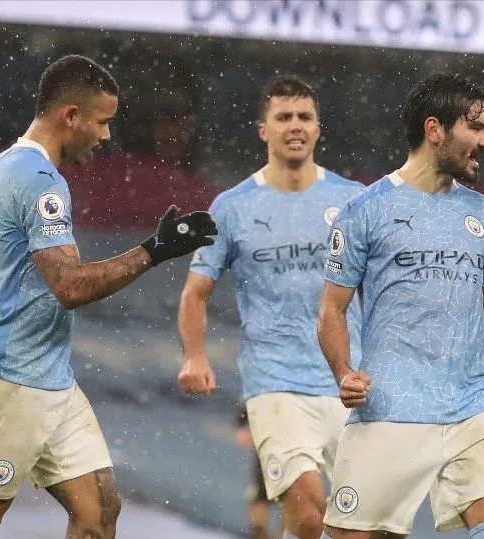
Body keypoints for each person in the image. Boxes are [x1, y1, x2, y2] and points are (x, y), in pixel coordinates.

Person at [0, 54, 217, 539]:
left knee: (99, 513)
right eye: (103, 121)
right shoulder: (40, 180)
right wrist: (156, 250)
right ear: (71, 116)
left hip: (48, 378)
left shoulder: (8, 161)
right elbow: (70, 287)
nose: (107, 135)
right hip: (8, 382)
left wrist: (7, 315)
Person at [317, 72, 484, 539]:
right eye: (475, 128)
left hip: (472, 405)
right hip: (393, 402)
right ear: (434, 130)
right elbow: (331, 312)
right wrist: (343, 374)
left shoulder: (483, 213)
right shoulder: (365, 210)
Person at [176, 75, 364, 539]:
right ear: (264, 129)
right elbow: (195, 291)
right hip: (274, 380)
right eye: (283, 117)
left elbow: (387, 285)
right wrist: (195, 355)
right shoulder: (232, 206)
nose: (294, 126)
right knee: (307, 512)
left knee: (358, 525)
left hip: (348, 379)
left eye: (304, 117)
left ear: (319, 128)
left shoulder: (354, 200)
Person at [235, 405, 282, 539]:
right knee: (260, 502)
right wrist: (242, 421)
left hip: (299, 443)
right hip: (269, 443)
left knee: (295, 504)